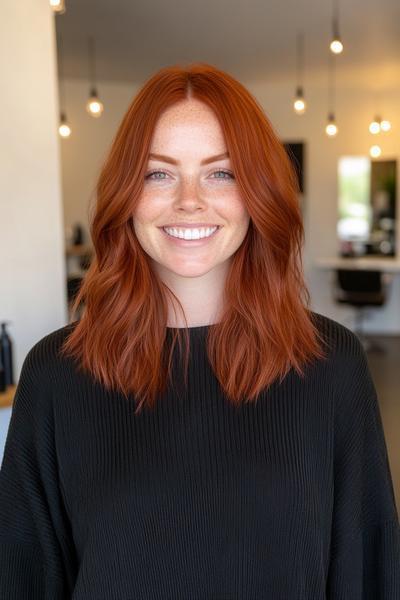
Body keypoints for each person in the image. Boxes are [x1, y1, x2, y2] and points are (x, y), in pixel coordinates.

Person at [0, 62, 399, 599]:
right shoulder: (55, 372)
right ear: (127, 193)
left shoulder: (331, 363)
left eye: (221, 172)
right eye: (158, 173)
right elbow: (23, 577)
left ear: (258, 191)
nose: (190, 200)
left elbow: (368, 572)